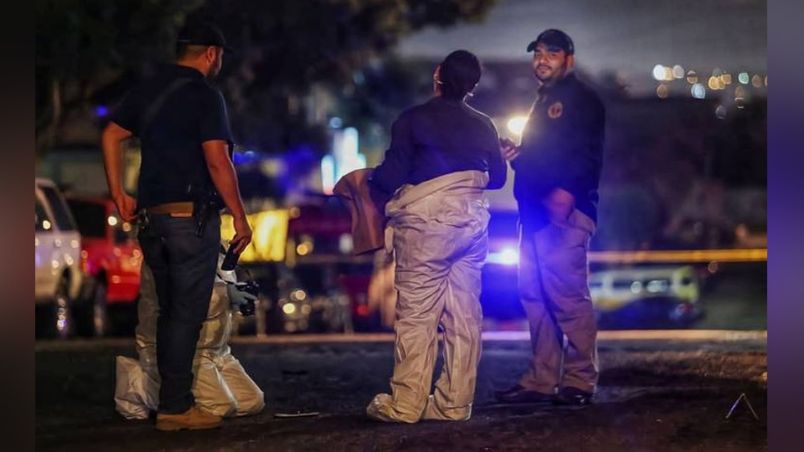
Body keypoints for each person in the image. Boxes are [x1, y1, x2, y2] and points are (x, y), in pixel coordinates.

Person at [101, 21, 252, 431]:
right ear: (211, 54)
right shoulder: (205, 96)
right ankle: (175, 407)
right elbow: (218, 161)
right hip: (191, 221)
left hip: (152, 221)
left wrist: (119, 192)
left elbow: (112, 135)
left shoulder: (149, 89)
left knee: (169, 313)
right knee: (186, 315)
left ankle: (171, 402)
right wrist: (239, 215)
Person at [365, 50, 507, 423]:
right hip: (472, 223)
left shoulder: (413, 120)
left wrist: (370, 181)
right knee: (464, 315)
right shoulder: (484, 125)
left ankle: (406, 405)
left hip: (426, 223)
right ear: (473, 86)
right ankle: (454, 404)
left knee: (416, 315)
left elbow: (392, 174)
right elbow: (499, 179)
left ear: (438, 75)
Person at [495, 29, 606, 407]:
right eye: (538, 53)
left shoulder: (581, 99)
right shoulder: (544, 100)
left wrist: (568, 193)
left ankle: (579, 380)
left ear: (569, 59)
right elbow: (545, 158)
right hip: (534, 214)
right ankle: (542, 380)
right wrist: (518, 156)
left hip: (563, 213)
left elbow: (587, 155)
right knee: (535, 297)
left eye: (551, 54)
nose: (542, 59)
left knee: (568, 298)